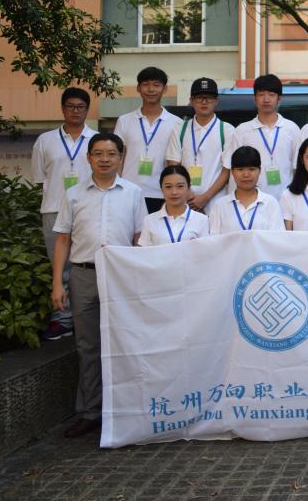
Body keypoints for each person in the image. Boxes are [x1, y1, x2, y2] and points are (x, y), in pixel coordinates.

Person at [51, 133, 146, 438]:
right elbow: (62, 239)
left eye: (111, 154)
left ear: (121, 157)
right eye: (98, 153)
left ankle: (126, 409)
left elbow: (139, 238)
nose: (105, 159)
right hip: (83, 275)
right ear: (89, 157)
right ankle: (91, 412)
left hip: (120, 276)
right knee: (88, 345)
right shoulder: (74, 194)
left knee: (124, 343)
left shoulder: (133, 193)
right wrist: (57, 282)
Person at [31, 87, 97, 341]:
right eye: (70, 106)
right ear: (62, 108)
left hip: (87, 209)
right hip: (54, 208)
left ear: (87, 109)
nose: (75, 111)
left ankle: (84, 318)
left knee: (85, 266)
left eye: (80, 107)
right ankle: (62, 319)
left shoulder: (97, 139)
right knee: (60, 266)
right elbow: (40, 178)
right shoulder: (45, 140)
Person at [114, 66, 180, 212]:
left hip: (161, 194)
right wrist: (117, 187)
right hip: (128, 191)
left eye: (156, 85)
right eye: (145, 84)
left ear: (165, 89)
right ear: (138, 88)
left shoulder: (177, 123)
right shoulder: (124, 121)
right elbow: (118, 158)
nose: (151, 89)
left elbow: (174, 162)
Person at [227, 74, 302, 200]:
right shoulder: (242, 131)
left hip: (286, 200)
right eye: (261, 95)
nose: (266, 99)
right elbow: (234, 169)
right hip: (252, 201)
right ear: (255, 99)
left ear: (279, 99)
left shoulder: (292, 129)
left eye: (271, 95)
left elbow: (298, 168)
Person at [165, 77, 234, 213]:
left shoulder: (227, 130)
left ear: (216, 101)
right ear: (191, 101)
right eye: (199, 98)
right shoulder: (180, 128)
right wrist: (188, 193)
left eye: (209, 98)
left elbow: (227, 170)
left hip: (216, 202)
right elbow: (173, 163)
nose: (204, 102)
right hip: (185, 200)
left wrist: (205, 197)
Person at [209, 146, 286, 233]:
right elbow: (213, 239)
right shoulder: (220, 206)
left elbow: (277, 238)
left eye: (251, 169)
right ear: (232, 172)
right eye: (240, 169)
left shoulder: (270, 203)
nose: (246, 174)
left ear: (259, 171)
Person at [138, 165, 211, 246]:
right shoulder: (150, 220)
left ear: (189, 188)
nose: (174, 192)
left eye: (180, 186)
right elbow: (144, 252)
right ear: (161, 189)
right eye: (168, 187)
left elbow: (205, 251)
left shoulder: (202, 220)